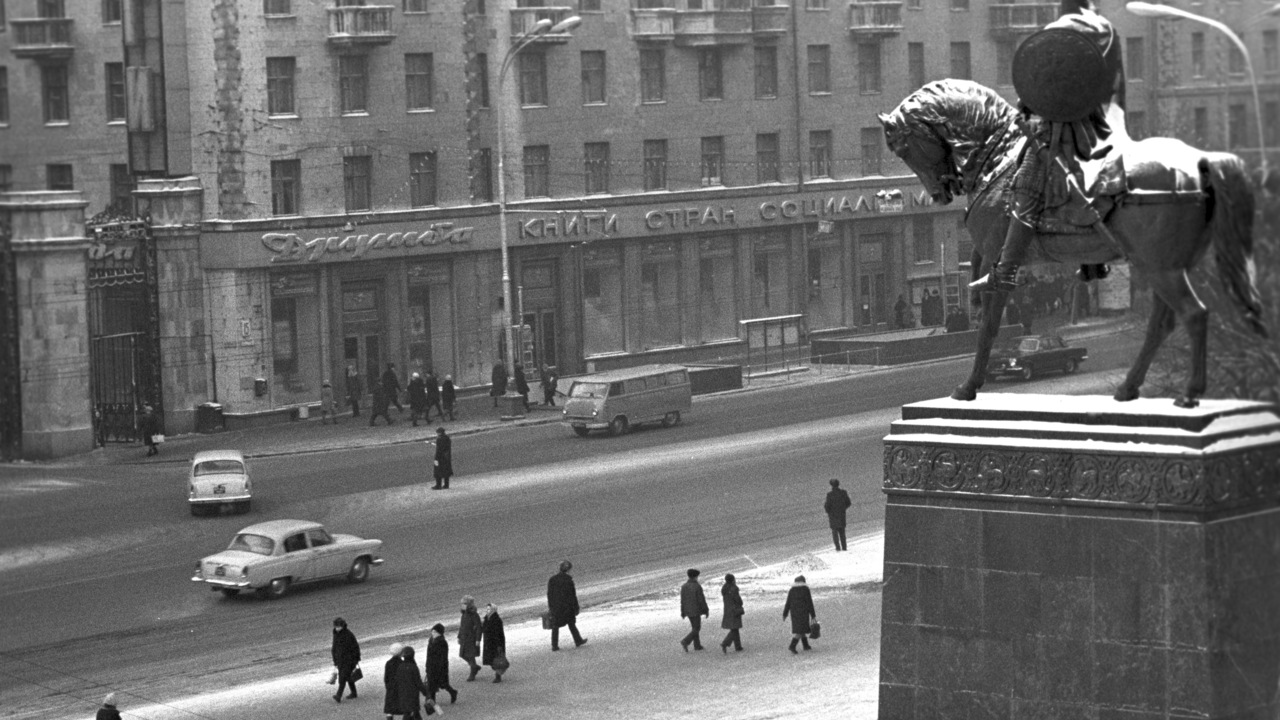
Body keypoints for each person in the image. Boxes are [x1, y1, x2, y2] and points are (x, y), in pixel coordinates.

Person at [970, 0, 1125, 293]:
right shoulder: (1103, 33)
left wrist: (1028, 108)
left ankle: (1005, 269)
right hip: (1102, 123)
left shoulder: (1069, 37)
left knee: (1027, 179)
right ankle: (1092, 259)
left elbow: (1054, 84)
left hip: (1072, 126)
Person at [547, 560, 587, 651]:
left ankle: (554, 646)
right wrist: (576, 607)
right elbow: (573, 595)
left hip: (556, 606)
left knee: (555, 625)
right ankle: (578, 640)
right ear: (568, 570)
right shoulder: (569, 580)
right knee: (571, 624)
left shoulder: (552, 579)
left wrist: (550, 607)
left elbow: (549, 594)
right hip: (567, 606)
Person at [425, 623, 459, 705]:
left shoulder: (442, 642)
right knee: (432, 684)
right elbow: (428, 655)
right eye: (432, 631)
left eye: (434, 632)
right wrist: (427, 665)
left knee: (442, 683)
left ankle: (452, 692)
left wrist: (440, 667)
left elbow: (443, 657)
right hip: (431, 666)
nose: (432, 633)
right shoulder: (431, 641)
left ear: (439, 633)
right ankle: (433, 702)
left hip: (439, 666)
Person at [782, 575, 817, 654]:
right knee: (800, 630)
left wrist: (785, 614)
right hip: (804, 612)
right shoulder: (805, 589)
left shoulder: (792, 590)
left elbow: (788, 603)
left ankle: (806, 645)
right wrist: (813, 615)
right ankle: (792, 646)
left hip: (794, 613)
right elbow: (809, 602)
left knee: (801, 628)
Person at [331, 617, 362, 702]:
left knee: (342, 678)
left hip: (348, 660)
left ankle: (338, 695)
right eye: (336, 626)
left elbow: (355, 647)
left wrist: (356, 659)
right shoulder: (337, 634)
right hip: (341, 660)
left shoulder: (348, 635)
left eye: (338, 626)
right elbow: (334, 648)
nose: (337, 628)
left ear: (342, 626)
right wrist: (335, 660)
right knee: (348, 677)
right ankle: (354, 693)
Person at [679, 568, 710, 652]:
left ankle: (697, 645)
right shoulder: (697, 586)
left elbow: (682, 600)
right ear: (695, 577)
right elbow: (701, 600)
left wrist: (682, 611)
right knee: (697, 628)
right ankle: (686, 641)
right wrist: (706, 610)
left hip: (687, 610)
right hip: (696, 610)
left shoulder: (684, 586)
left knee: (694, 628)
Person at [395, 645, 427, 720]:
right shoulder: (413, 667)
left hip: (403, 695)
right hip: (413, 696)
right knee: (413, 714)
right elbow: (418, 682)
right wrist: (425, 692)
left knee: (410, 713)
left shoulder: (400, 667)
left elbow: (397, 681)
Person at [457, 596, 483, 682]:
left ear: (469, 605)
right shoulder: (464, 614)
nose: (462, 605)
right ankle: (474, 667)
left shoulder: (474, 615)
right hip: (464, 639)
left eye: (464, 603)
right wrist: (459, 637)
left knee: (470, 656)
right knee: (462, 655)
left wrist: (478, 640)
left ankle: (472, 673)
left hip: (472, 639)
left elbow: (479, 627)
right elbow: (461, 627)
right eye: (462, 604)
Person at [824, 479, 853, 552]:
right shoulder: (843, 493)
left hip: (833, 515)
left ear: (831, 485)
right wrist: (843, 508)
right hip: (841, 514)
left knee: (835, 533)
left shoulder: (830, 495)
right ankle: (844, 547)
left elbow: (827, 506)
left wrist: (829, 512)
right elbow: (848, 503)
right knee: (842, 532)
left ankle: (838, 548)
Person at [481, 603, 507, 683]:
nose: (487, 610)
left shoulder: (496, 620)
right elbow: (484, 629)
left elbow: (498, 633)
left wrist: (499, 644)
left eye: (489, 609)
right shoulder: (487, 619)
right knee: (492, 659)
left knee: (496, 659)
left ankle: (498, 675)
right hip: (489, 642)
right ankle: (498, 674)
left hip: (495, 642)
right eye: (487, 609)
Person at [719, 573, 744, 654]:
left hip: (727, 610)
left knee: (734, 628)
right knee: (735, 629)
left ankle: (738, 646)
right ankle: (725, 643)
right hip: (735, 610)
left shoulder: (724, 588)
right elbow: (738, 600)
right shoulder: (734, 588)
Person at [383, 642, 405, 720]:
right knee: (403, 707)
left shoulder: (388, 663)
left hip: (391, 687)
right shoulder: (402, 663)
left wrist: (387, 686)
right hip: (400, 687)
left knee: (390, 709)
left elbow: (386, 677)